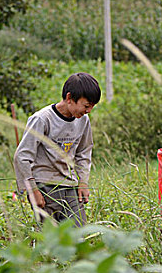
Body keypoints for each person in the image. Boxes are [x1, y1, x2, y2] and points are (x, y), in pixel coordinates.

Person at [14, 72, 101, 227]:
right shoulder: (42, 119)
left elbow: (83, 153)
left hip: (69, 185)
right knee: (51, 238)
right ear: (69, 98)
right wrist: (32, 190)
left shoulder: (83, 121)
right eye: (86, 106)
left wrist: (83, 182)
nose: (88, 111)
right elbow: (22, 156)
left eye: (92, 107)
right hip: (44, 186)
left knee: (79, 232)